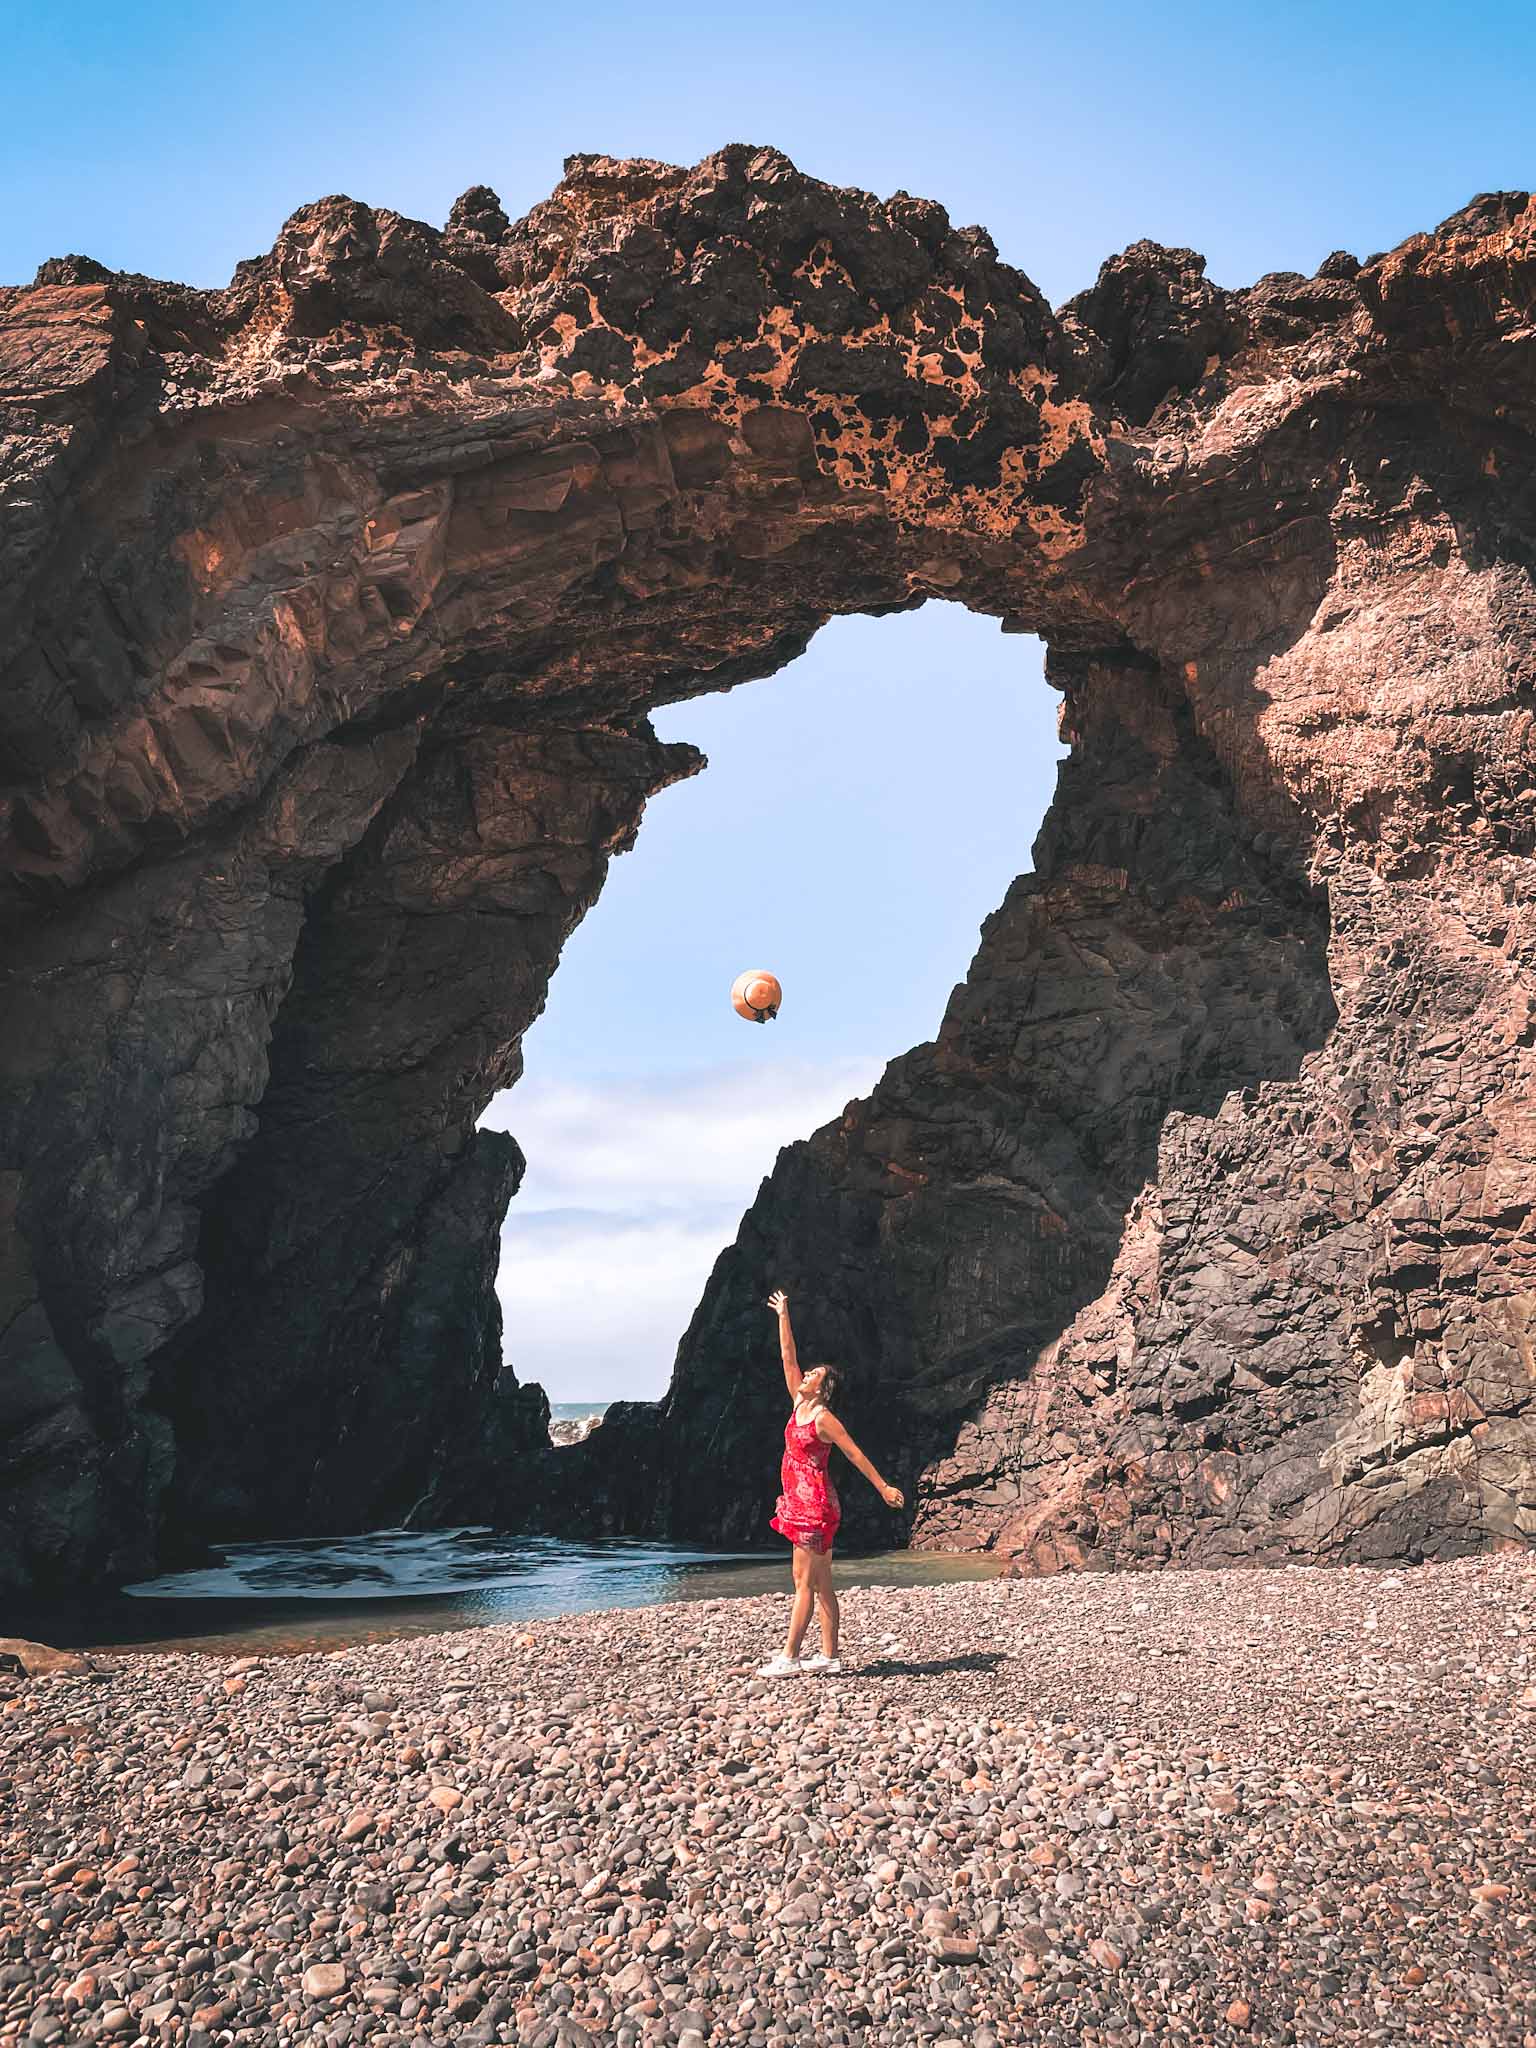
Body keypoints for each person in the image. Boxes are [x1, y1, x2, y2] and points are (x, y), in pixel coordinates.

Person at [757, 1288, 905, 1678]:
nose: (805, 1376)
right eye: (807, 1373)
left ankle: (789, 1658)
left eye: (814, 1376)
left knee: (803, 1582)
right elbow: (788, 1358)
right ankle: (830, 1656)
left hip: (815, 1505)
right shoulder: (798, 1403)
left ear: (823, 1388)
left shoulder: (822, 1418)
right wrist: (783, 1315)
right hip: (797, 1501)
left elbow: (855, 1454)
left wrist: (884, 1487)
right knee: (820, 1583)